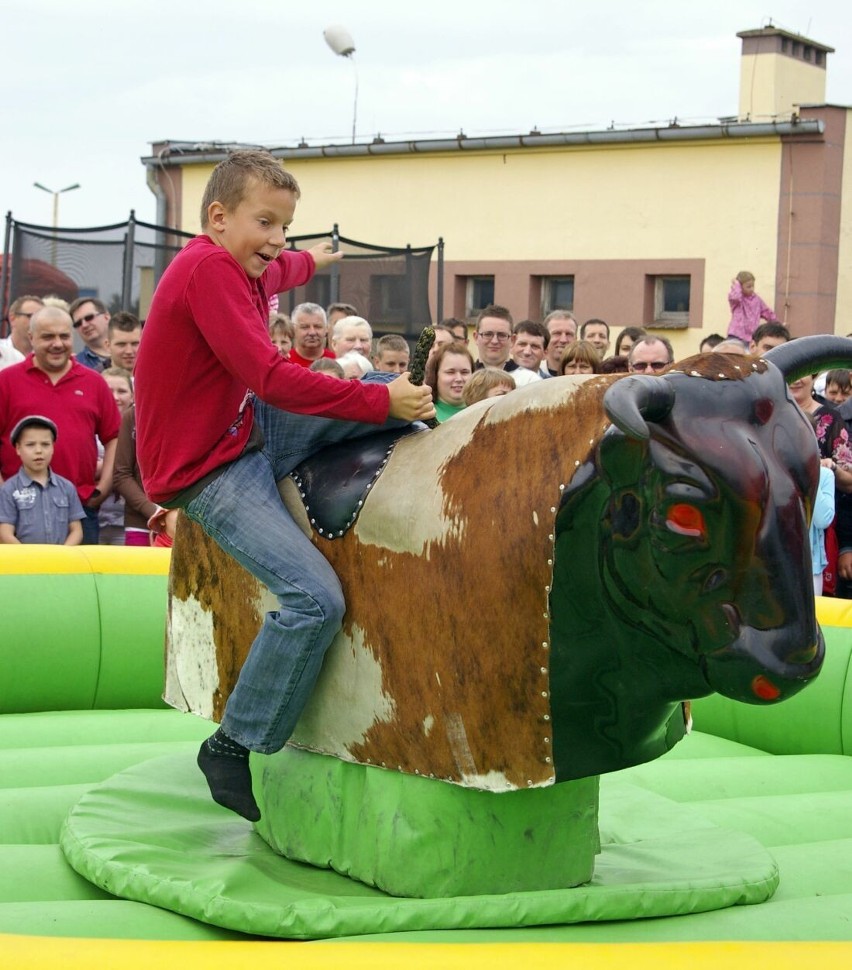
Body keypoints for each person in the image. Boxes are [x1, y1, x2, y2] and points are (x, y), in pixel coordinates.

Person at [133, 149, 433, 822]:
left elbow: (285, 268)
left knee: (388, 402)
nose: (275, 241)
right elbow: (268, 376)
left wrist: (315, 259)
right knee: (315, 600)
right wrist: (379, 405)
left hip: (247, 426)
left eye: (284, 228)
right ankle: (234, 743)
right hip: (208, 469)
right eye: (264, 224)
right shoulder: (208, 270)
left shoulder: (250, 263)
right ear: (217, 218)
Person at [0, 306, 120, 544]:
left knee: (79, 581)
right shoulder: (6, 381)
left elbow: (113, 436)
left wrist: (103, 487)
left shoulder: (94, 382)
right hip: (17, 509)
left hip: (79, 509)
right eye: (48, 337)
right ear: (32, 338)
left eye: (64, 336)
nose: (57, 343)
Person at [0, 415, 84, 545]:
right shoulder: (8, 490)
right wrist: (30, 559)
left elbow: (76, 530)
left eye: (45, 444)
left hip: (62, 562)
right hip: (24, 563)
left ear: (53, 447)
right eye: (30, 445)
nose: (38, 451)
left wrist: (64, 555)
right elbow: (4, 533)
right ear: (18, 449)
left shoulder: (67, 487)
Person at [98, 367, 135, 545]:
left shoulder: (139, 430)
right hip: (95, 518)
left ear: (133, 396)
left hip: (126, 521)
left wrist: (103, 467)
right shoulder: (91, 429)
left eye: (122, 391)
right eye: (108, 391)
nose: (115, 397)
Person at [425, 342, 474, 422]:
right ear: (435, 375)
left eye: (464, 372)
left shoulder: (485, 412)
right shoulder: (424, 415)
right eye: (450, 372)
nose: (459, 379)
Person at [727, 270, 778, 343]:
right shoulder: (737, 300)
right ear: (740, 287)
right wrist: (736, 284)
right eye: (748, 286)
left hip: (750, 337)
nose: (752, 289)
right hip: (736, 335)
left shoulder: (757, 299)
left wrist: (776, 324)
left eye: (753, 286)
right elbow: (735, 297)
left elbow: (767, 312)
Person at [0, 295, 43, 371]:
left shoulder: (47, 356)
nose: (37, 322)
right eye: (31, 316)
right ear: (12, 318)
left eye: (41, 318)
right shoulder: (2, 351)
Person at [69, 297, 112, 371]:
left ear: (106, 317)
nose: (84, 325)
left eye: (89, 318)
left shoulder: (132, 354)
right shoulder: (75, 365)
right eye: (78, 323)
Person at [288, 302, 335, 367]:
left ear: (326, 328)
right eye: (305, 327)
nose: (312, 332)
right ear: (293, 329)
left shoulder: (336, 361)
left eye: (317, 326)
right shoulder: (285, 362)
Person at [473, 305, 516, 371]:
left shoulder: (529, 379)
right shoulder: (465, 377)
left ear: (512, 340)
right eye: (488, 334)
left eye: (501, 335)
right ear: (476, 337)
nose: (494, 341)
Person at [541, 310, 577, 377]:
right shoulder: (534, 376)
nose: (563, 340)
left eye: (569, 334)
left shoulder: (586, 375)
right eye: (557, 333)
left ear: (576, 339)